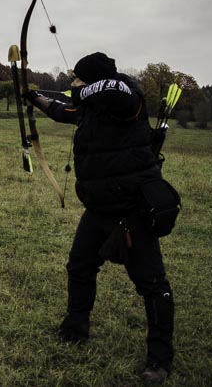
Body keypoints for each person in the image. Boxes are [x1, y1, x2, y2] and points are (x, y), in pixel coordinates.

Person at [24, 52, 174, 383]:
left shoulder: (125, 97)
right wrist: (32, 95)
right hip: (99, 208)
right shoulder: (92, 107)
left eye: (78, 78)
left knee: (151, 285)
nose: (73, 84)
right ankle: (75, 329)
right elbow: (62, 111)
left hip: (132, 208)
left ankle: (160, 359)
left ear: (91, 80)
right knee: (79, 266)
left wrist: (79, 89)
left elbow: (105, 90)